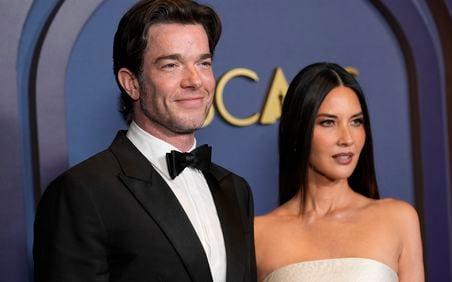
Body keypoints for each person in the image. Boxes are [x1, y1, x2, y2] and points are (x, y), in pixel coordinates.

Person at [33, 0, 256, 281]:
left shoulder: (235, 190)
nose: (195, 80)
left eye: (203, 63)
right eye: (171, 65)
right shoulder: (82, 193)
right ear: (132, 83)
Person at [254, 62, 424, 282]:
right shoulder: (259, 234)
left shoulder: (398, 219)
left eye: (356, 121)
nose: (347, 139)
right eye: (328, 122)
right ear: (297, 133)